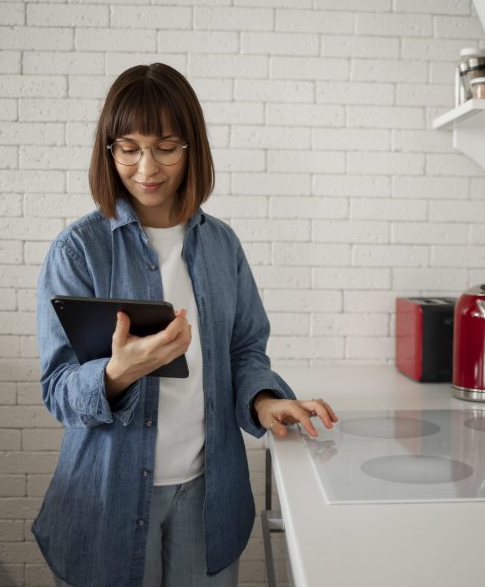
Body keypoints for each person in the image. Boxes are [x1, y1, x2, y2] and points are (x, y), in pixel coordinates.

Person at [33, 63, 338, 587]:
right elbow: (59, 390)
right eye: (128, 148)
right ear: (110, 151)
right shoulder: (79, 251)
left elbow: (244, 351)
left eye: (165, 146)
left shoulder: (221, 245)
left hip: (208, 495)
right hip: (108, 497)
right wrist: (118, 373)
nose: (146, 166)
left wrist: (265, 400)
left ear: (191, 147)